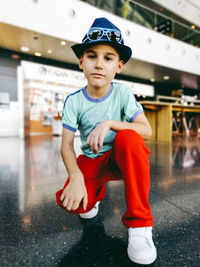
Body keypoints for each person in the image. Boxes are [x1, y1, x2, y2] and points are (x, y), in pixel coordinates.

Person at [56, 17, 157, 265]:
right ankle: (95, 193)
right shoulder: (74, 101)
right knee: (72, 203)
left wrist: (110, 123)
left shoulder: (122, 93)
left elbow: (147, 130)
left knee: (129, 137)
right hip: (91, 160)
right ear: (81, 62)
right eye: (92, 56)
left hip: (120, 157)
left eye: (108, 58)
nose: (99, 64)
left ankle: (140, 226)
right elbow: (66, 145)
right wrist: (77, 176)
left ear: (119, 66)